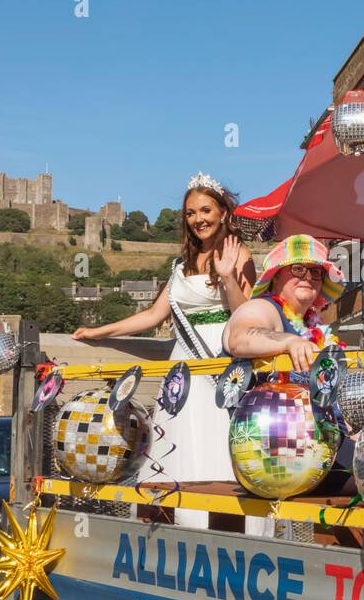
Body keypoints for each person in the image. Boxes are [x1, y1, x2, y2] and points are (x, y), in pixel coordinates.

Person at [73, 174, 257, 530]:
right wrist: (99, 332)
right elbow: (154, 315)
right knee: (180, 443)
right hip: (183, 370)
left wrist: (228, 276)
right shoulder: (180, 265)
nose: (198, 219)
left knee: (217, 442)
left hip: (220, 365)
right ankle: (182, 527)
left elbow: (246, 314)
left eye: (205, 210)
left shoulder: (239, 254)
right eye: (190, 213)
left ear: (223, 212)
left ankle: (224, 527)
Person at [222, 234, 346, 365]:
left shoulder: (314, 326)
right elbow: (239, 339)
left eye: (315, 272)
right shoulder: (262, 307)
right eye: (298, 269)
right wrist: (290, 342)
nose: (308, 277)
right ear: (276, 276)